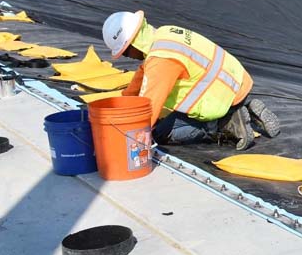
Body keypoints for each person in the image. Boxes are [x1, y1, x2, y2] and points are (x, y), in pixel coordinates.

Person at [102, 10, 280, 150]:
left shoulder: (160, 62)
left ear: (133, 43)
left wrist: (129, 136)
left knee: (160, 133)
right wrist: (125, 100)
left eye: (125, 52)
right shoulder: (164, 34)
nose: (129, 57)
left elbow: (148, 108)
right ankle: (243, 107)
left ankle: (220, 125)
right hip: (237, 82)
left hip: (218, 99)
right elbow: (143, 73)